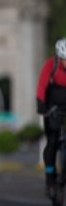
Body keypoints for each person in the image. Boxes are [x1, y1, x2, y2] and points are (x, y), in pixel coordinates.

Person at [36, 38, 66, 199]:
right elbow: (42, 86)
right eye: (65, 60)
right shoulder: (51, 65)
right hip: (52, 107)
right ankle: (50, 177)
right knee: (52, 141)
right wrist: (40, 104)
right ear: (59, 58)